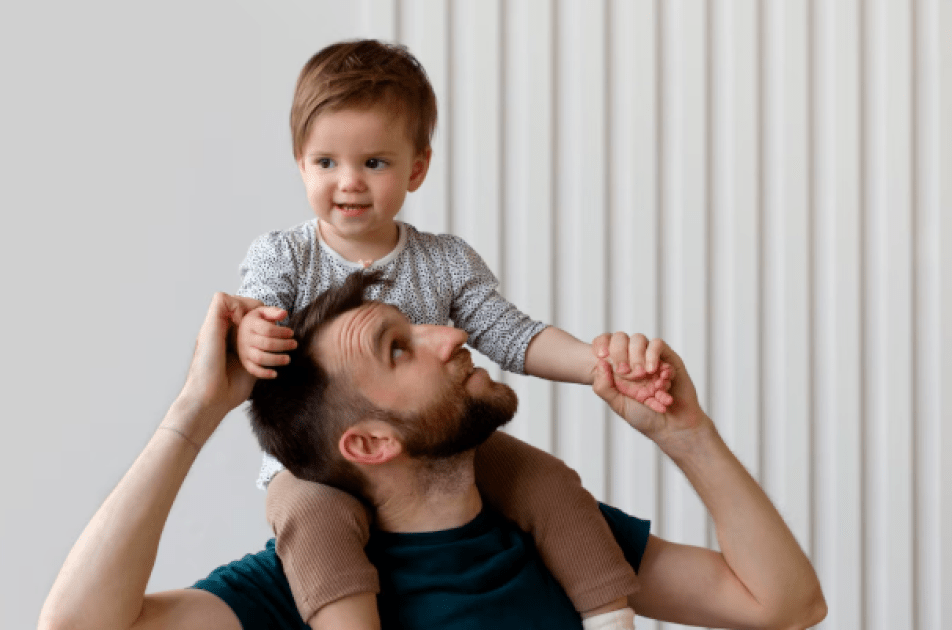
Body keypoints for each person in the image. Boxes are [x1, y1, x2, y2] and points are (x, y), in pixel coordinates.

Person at [38, 272, 828, 630]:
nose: (449, 335)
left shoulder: (558, 535)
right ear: (369, 442)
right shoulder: (303, 589)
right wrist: (195, 411)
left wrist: (687, 435)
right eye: (399, 348)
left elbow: (785, 605)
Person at [233, 38, 670, 630]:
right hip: (320, 461)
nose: (349, 183)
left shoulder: (445, 260)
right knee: (311, 516)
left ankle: (609, 615)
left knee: (548, 481)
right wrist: (251, 333)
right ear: (299, 162)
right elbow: (254, 319)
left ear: (417, 168)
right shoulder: (281, 256)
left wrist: (598, 364)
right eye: (326, 162)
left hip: (442, 447)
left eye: (374, 163)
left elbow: (511, 333)